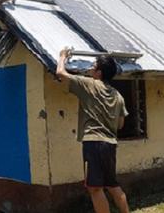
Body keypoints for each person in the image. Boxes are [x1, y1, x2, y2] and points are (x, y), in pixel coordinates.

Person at [56, 48, 130, 213]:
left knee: (95, 188)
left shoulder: (88, 84)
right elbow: (120, 125)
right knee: (112, 185)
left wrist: (62, 57)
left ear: (99, 72)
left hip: (93, 143)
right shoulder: (118, 96)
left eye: (93, 66)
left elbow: (60, 73)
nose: (90, 68)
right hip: (110, 145)